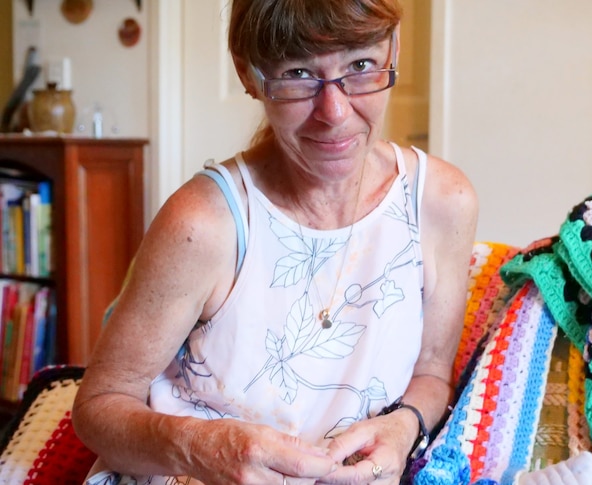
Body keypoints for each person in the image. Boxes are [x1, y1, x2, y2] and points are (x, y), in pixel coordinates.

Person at [72, 1, 478, 483]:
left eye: (361, 65)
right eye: (299, 73)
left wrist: (403, 426)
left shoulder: (441, 202)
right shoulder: (204, 222)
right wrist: (201, 449)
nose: (335, 112)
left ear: (393, 49)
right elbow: (97, 407)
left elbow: (432, 373)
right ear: (249, 75)